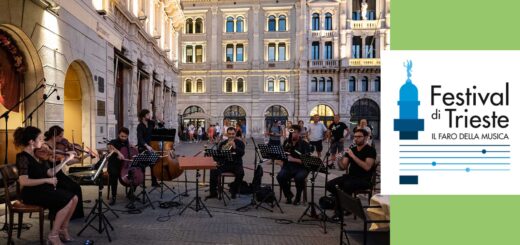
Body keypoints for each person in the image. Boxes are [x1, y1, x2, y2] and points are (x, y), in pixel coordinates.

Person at [14, 126, 78, 244]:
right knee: (67, 200)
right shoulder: (22, 157)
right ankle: (53, 235)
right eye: (40, 139)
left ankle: (63, 229)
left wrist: (65, 160)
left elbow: (50, 172)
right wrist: (46, 180)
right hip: (31, 193)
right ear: (31, 142)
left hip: (42, 190)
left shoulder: (38, 155)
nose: (43, 141)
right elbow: (23, 181)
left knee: (74, 198)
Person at [325, 128, 376, 220]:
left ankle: (339, 212)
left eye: (359, 137)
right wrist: (339, 158)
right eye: (355, 137)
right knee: (330, 185)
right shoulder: (352, 149)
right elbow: (343, 167)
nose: (356, 139)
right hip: (350, 177)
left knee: (346, 186)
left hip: (364, 179)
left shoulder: (370, 150)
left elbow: (367, 167)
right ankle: (346, 206)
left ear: (365, 137)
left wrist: (353, 156)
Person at [42, 126, 85, 219]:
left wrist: (79, 159)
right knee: (73, 187)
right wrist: (64, 155)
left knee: (76, 186)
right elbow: (51, 156)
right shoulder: (45, 146)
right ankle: (62, 213)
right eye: (60, 136)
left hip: (59, 173)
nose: (62, 139)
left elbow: (67, 162)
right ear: (54, 136)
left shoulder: (57, 145)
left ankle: (72, 214)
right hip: (50, 175)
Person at [277, 125, 312, 205]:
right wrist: (280, 161)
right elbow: (283, 155)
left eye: (295, 132)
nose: (293, 134)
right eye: (291, 132)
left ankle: (298, 197)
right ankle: (288, 195)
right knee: (280, 176)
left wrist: (293, 159)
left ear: (299, 133)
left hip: (301, 168)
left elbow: (307, 161)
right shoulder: (287, 142)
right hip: (289, 167)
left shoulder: (304, 144)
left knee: (299, 178)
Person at [207, 127, 245, 199]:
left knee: (241, 173)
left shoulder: (240, 143)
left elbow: (242, 153)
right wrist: (216, 160)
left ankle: (234, 190)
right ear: (227, 134)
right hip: (225, 164)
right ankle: (213, 193)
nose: (231, 135)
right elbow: (218, 154)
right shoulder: (223, 143)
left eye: (233, 134)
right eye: (229, 134)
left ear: (235, 134)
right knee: (213, 170)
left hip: (236, 164)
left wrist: (235, 147)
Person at [106, 127, 135, 205]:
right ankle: (114, 197)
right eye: (122, 136)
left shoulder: (127, 143)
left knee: (136, 174)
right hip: (114, 165)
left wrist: (133, 149)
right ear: (118, 135)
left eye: (125, 137)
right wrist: (118, 153)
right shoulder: (114, 141)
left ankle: (130, 193)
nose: (123, 138)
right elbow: (109, 147)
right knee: (114, 174)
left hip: (124, 166)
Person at [136, 109, 160, 187]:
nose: (149, 116)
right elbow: (140, 138)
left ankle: (154, 182)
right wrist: (146, 146)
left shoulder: (151, 123)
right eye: (148, 115)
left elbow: (160, 126)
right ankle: (142, 182)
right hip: (143, 147)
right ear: (143, 116)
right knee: (143, 165)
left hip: (151, 147)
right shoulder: (140, 126)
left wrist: (160, 119)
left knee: (153, 163)